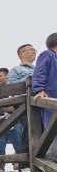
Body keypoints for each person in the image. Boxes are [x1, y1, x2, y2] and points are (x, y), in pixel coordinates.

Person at [0, 68, 22, 166]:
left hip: (16, 122)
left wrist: (14, 110)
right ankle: (0, 170)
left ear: (7, 76)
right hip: (0, 123)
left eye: (0, 76)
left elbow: (24, 107)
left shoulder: (16, 91)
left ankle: (22, 168)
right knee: (0, 148)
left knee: (19, 147)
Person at [33, 32, 57, 161]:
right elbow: (39, 72)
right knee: (52, 130)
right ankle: (51, 161)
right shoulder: (47, 54)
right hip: (50, 99)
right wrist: (39, 90)